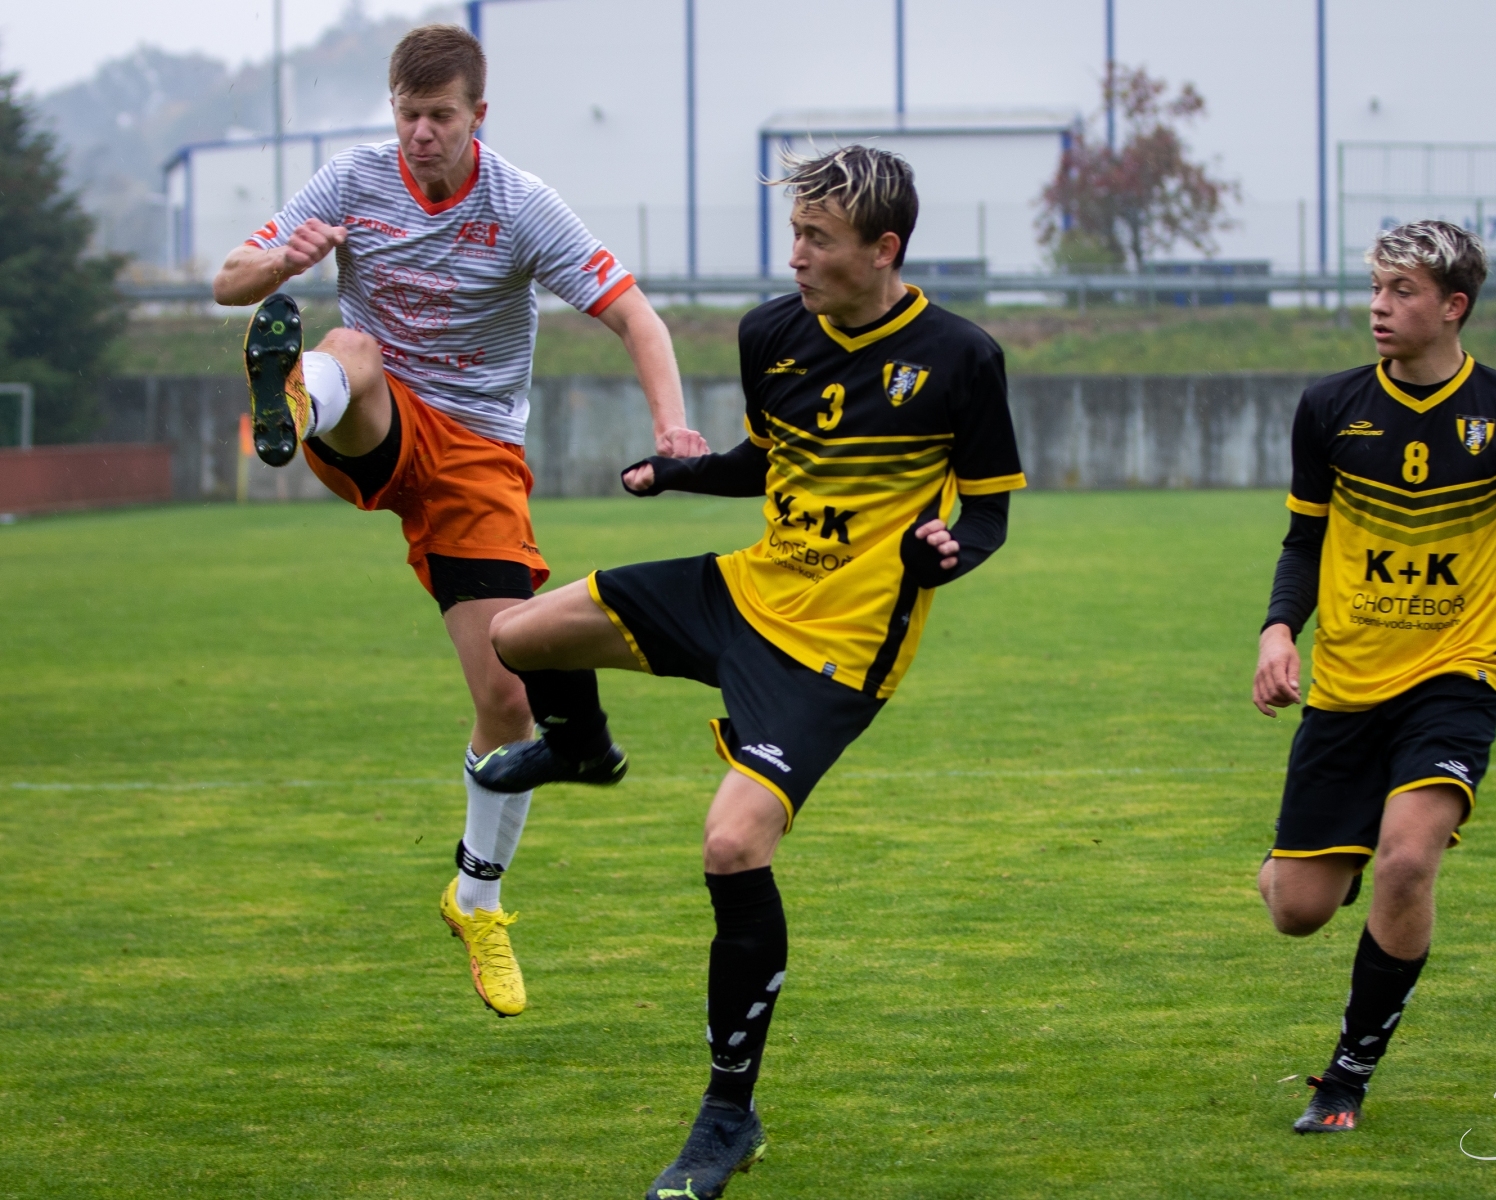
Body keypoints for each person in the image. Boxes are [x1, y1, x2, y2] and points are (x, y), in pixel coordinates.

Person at [470, 145, 1024, 1198]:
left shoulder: (961, 357)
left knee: (732, 845)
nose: (796, 255)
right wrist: (683, 474)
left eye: (818, 238)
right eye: (796, 233)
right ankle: (582, 749)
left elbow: (988, 511)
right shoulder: (770, 331)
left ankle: (728, 1115)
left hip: (837, 648)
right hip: (746, 587)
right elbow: (769, 461)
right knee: (518, 635)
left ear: (884, 249)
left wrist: (948, 551)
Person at [211, 24, 707, 1019]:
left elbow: (634, 315)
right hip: (374, 418)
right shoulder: (351, 181)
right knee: (352, 346)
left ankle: (475, 900)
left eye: (439, 116)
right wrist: (279, 265)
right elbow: (230, 279)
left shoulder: (521, 204)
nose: (420, 133)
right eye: (407, 115)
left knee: (508, 696)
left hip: (476, 457)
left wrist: (673, 426)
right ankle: (291, 405)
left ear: (479, 114)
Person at [1251, 219, 1496, 1134]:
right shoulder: (1329, 406)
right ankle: (1315, 861)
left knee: (1406, 861)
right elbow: (1303, 541)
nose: (1379, 308)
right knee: (1296, 911)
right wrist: (1277, 632)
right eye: (1376, 289)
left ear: (1454, 306)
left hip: (1457, 674)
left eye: (1403, 292)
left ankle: (1346, 1078)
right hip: (1348, 681)